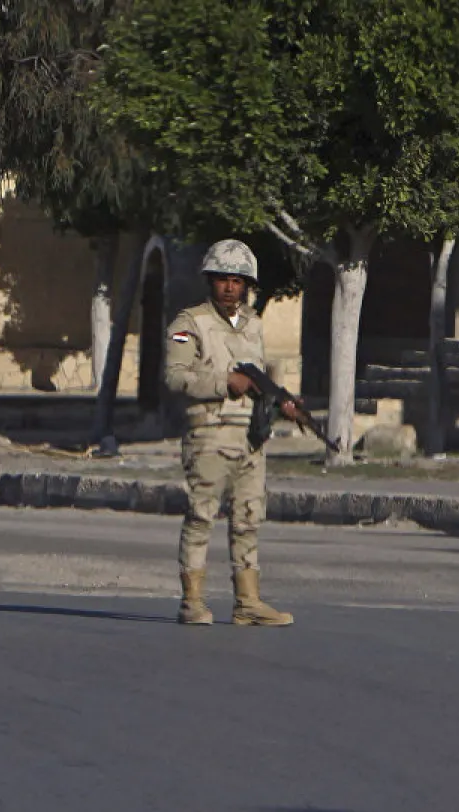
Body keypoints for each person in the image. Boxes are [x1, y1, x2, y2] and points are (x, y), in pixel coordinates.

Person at [163, 239, 297, 627]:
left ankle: (248, 601)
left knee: (248, 519)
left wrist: (283, 403)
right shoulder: (188, 324)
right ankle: (193, 600)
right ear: (210, 281)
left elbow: (262, 378)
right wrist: (225, 381)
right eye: (222, 279)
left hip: (250, 437)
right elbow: (175, 376)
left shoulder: (253, 325)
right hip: (209, 433)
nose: (229, 287)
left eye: (237, 281)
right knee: (202, 515)